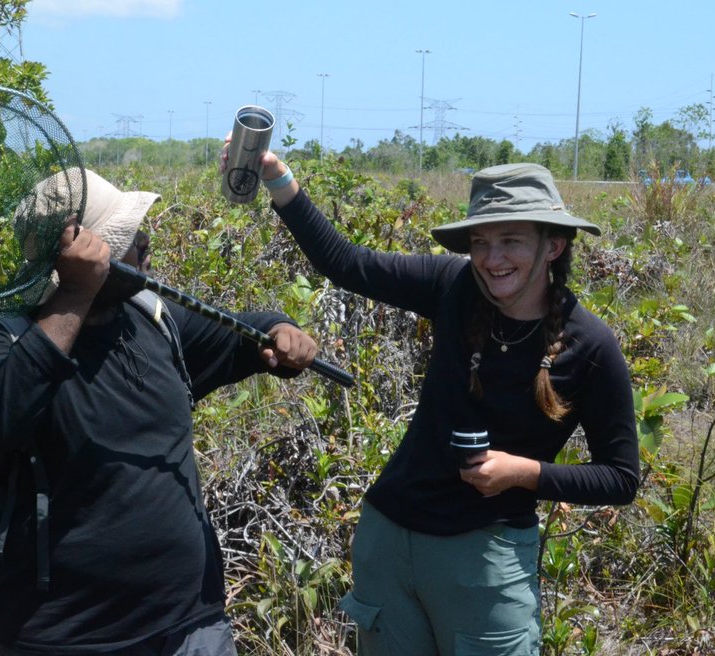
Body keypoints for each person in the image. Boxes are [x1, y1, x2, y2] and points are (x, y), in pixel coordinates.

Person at [253, 157, 640, 655]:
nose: (492, 258)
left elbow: (621, 478)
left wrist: (524, 473)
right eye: (481, 242)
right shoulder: (452, 287)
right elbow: (346, 264)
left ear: (554, 245)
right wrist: (276, 178)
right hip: (390, 541)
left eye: (511, 240)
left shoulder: (590, 346)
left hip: (487, 560)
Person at [0, 168, 320, 655]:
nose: (146, 244)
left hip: (192, 626)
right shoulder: (6, 341)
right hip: (65, 640)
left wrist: (280, 330)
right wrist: (74, 296)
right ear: (82, 260)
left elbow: (243, 334)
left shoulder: (153, 320)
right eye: (128, 238)